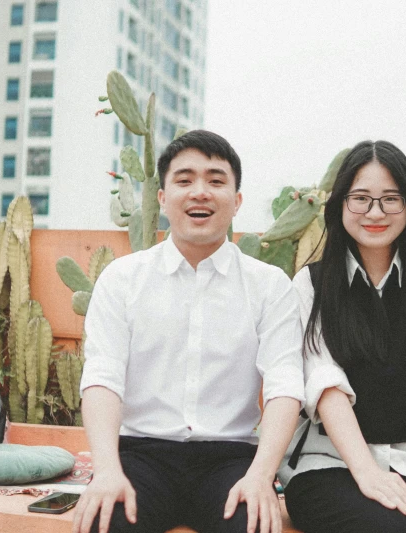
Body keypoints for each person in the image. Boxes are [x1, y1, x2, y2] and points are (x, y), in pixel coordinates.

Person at [72, 130, 305, 533]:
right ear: (162, 198)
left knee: (256, 526)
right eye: (184, 180)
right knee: (103, 522)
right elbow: (102, 378)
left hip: (229, 460)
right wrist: (107, 471)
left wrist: (262, 475)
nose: (200, 192)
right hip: (140, 456)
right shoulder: (123, 279)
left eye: (216, 181)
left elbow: (286, 386)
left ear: (237, 200)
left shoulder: (269, 285)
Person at [277, 140, 406, 533]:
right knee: (391, 529)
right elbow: (325, 387)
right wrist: (368, 474)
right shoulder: (311, 284)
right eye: (361, 199)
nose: (375, 212)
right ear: (340, 205)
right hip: (331, 465)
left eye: (391, 199)